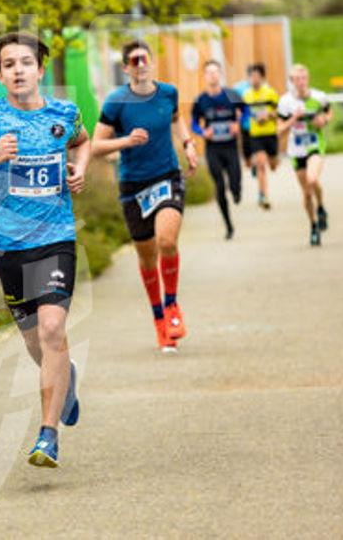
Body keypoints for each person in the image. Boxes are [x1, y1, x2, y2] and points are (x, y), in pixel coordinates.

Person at [0, 32, 90, 468]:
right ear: (0, 75)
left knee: (52, 329)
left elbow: (82, 141)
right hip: (9, 246)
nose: (18, 70)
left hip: (56, 239)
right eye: (9, 65)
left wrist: (79, 171)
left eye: (26, 62)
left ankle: (47, 436)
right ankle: (65, 376)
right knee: (35, 342)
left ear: (40, 70)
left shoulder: (64, 113)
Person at [91, 40, 198, 355]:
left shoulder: (168, 93)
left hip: (167, 176)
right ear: (126, 68)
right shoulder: (116, 102)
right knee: (147, 256)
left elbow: (176, 119)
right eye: (134, 61)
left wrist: (188, 143)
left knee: (167, 241)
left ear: (151, 62)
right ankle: (159, 320)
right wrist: (125, 141)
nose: (140, 64)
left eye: (144, 59)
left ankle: (172, 305)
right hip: (133, 186)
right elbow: (96, 146)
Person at [277, 64, 332, 247]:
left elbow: (328, 113)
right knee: (307, 193)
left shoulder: (318, 97)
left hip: (315, 144)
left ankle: (321, 207)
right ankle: (314, 225)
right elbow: (279, 130)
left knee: (312, 178)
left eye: (304, 78)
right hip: (296, 150)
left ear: (308, 79)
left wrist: (323, 120)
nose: (301, 82)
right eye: (297, 79)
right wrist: (293, 119)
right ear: (291, 82)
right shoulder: (285, 102)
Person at [191, 59, 245, 239]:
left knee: (234, 184)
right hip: (213, 149)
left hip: (230, 147)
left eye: (215, 72)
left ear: (220, 74)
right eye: (209, 72)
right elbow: (193, 123)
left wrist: (238, 123)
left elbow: (246, 111)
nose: (213, 75)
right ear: (204, 76)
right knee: (220, 187)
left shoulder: (232, 95)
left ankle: (237, 191)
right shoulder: (200, 100)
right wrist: (203, 132)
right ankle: (228, 226)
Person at [242, 63, 280, 209]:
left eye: (257, 76)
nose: (254, 79)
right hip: (256, 135)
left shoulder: (270, 93)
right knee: (261, 165)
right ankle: (263, 195)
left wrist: (268, 115)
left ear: (262, 77)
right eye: (251, 76)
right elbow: (243, 113)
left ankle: (261, 164)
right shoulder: (246, 96)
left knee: (273, 166)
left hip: (270, 134)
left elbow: (280, 112)